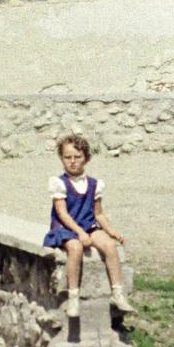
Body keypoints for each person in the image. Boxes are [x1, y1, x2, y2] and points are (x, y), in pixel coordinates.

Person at [43, 134, 135, 317]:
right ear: (61, 158)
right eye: (67, 157)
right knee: (75, 248)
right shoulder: (60, 183)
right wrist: (79, 233)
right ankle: (73, 296)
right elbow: (62, 213)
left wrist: (110, 230)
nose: (73, 162)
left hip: (87, 225)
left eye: (77, 157)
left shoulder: (94, 184)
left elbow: (98, 213)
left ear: (86, 158)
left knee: (109, 245)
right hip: (66, 227)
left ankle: (117, 292)